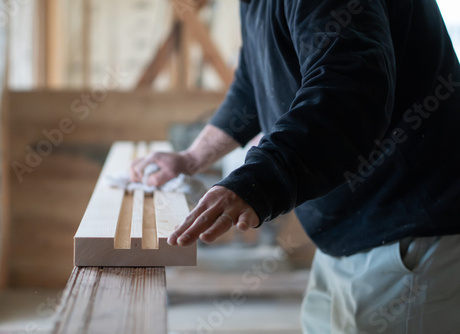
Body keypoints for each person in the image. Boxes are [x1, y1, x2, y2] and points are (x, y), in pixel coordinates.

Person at [131, 0, 460, 332]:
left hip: (411, 234)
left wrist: (259, 182)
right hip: (348, 235)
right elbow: (253, 82)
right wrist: (191, 158)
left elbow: (349, 89)